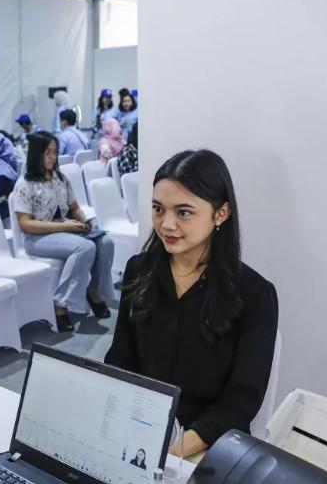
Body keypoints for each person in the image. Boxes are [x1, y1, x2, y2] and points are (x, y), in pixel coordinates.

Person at [104, 149, 278, 457]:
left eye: (183, 212)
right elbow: (120, 360)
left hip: (209, 443)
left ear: (220, 213)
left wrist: (171, 453)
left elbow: (240, 402)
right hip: (138, 432)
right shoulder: (139, 271)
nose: (166, 224)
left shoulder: (254, 294)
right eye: (158, 209)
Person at [14, 131, 115, 332]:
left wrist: (86, 222)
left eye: (55, 152)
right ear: (36, 154)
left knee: (106, 242)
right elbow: (25, 224)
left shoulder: (60, 178)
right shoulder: (25, 184)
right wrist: (66, 226)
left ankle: (94, 292)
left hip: (64, 231)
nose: (53, 157)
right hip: (37, 239)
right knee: (84, 247)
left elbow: (75, 207)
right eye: (48, 153)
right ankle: (61, 304)